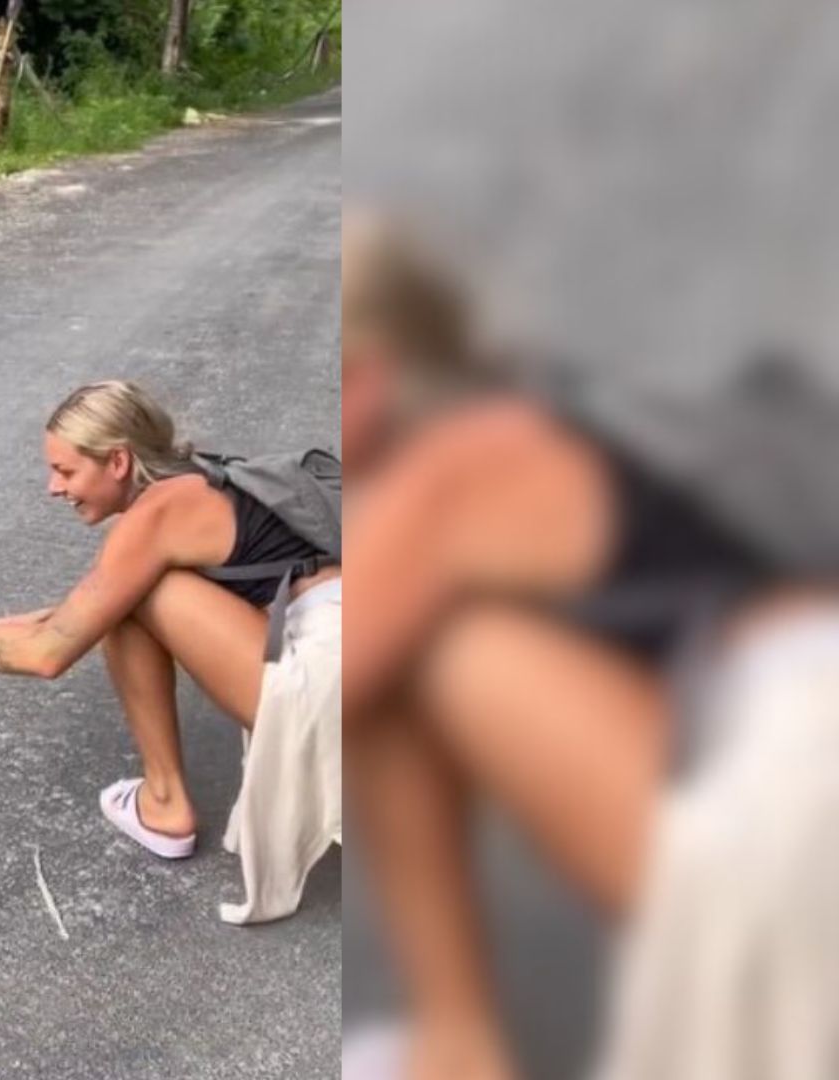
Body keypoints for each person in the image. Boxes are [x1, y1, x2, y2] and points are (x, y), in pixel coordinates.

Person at [340, 208, 839, 1080]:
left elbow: (322, 691)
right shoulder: (545, 415)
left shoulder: (456, 465)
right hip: (774, 699)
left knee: (425, 658)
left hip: (793, 758)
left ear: (369, 378)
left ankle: (458, 1042)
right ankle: (456, 1035)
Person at [0, 380, 341, 918]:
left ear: (118, 461)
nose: (54, 487)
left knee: (130, 605)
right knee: (126, 599)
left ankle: (165, 803)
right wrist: (59, 614)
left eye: (66, 471)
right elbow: (111, 592)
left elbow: (46, 656)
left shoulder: (158, 514)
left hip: (335, 682)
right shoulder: (195, 481)